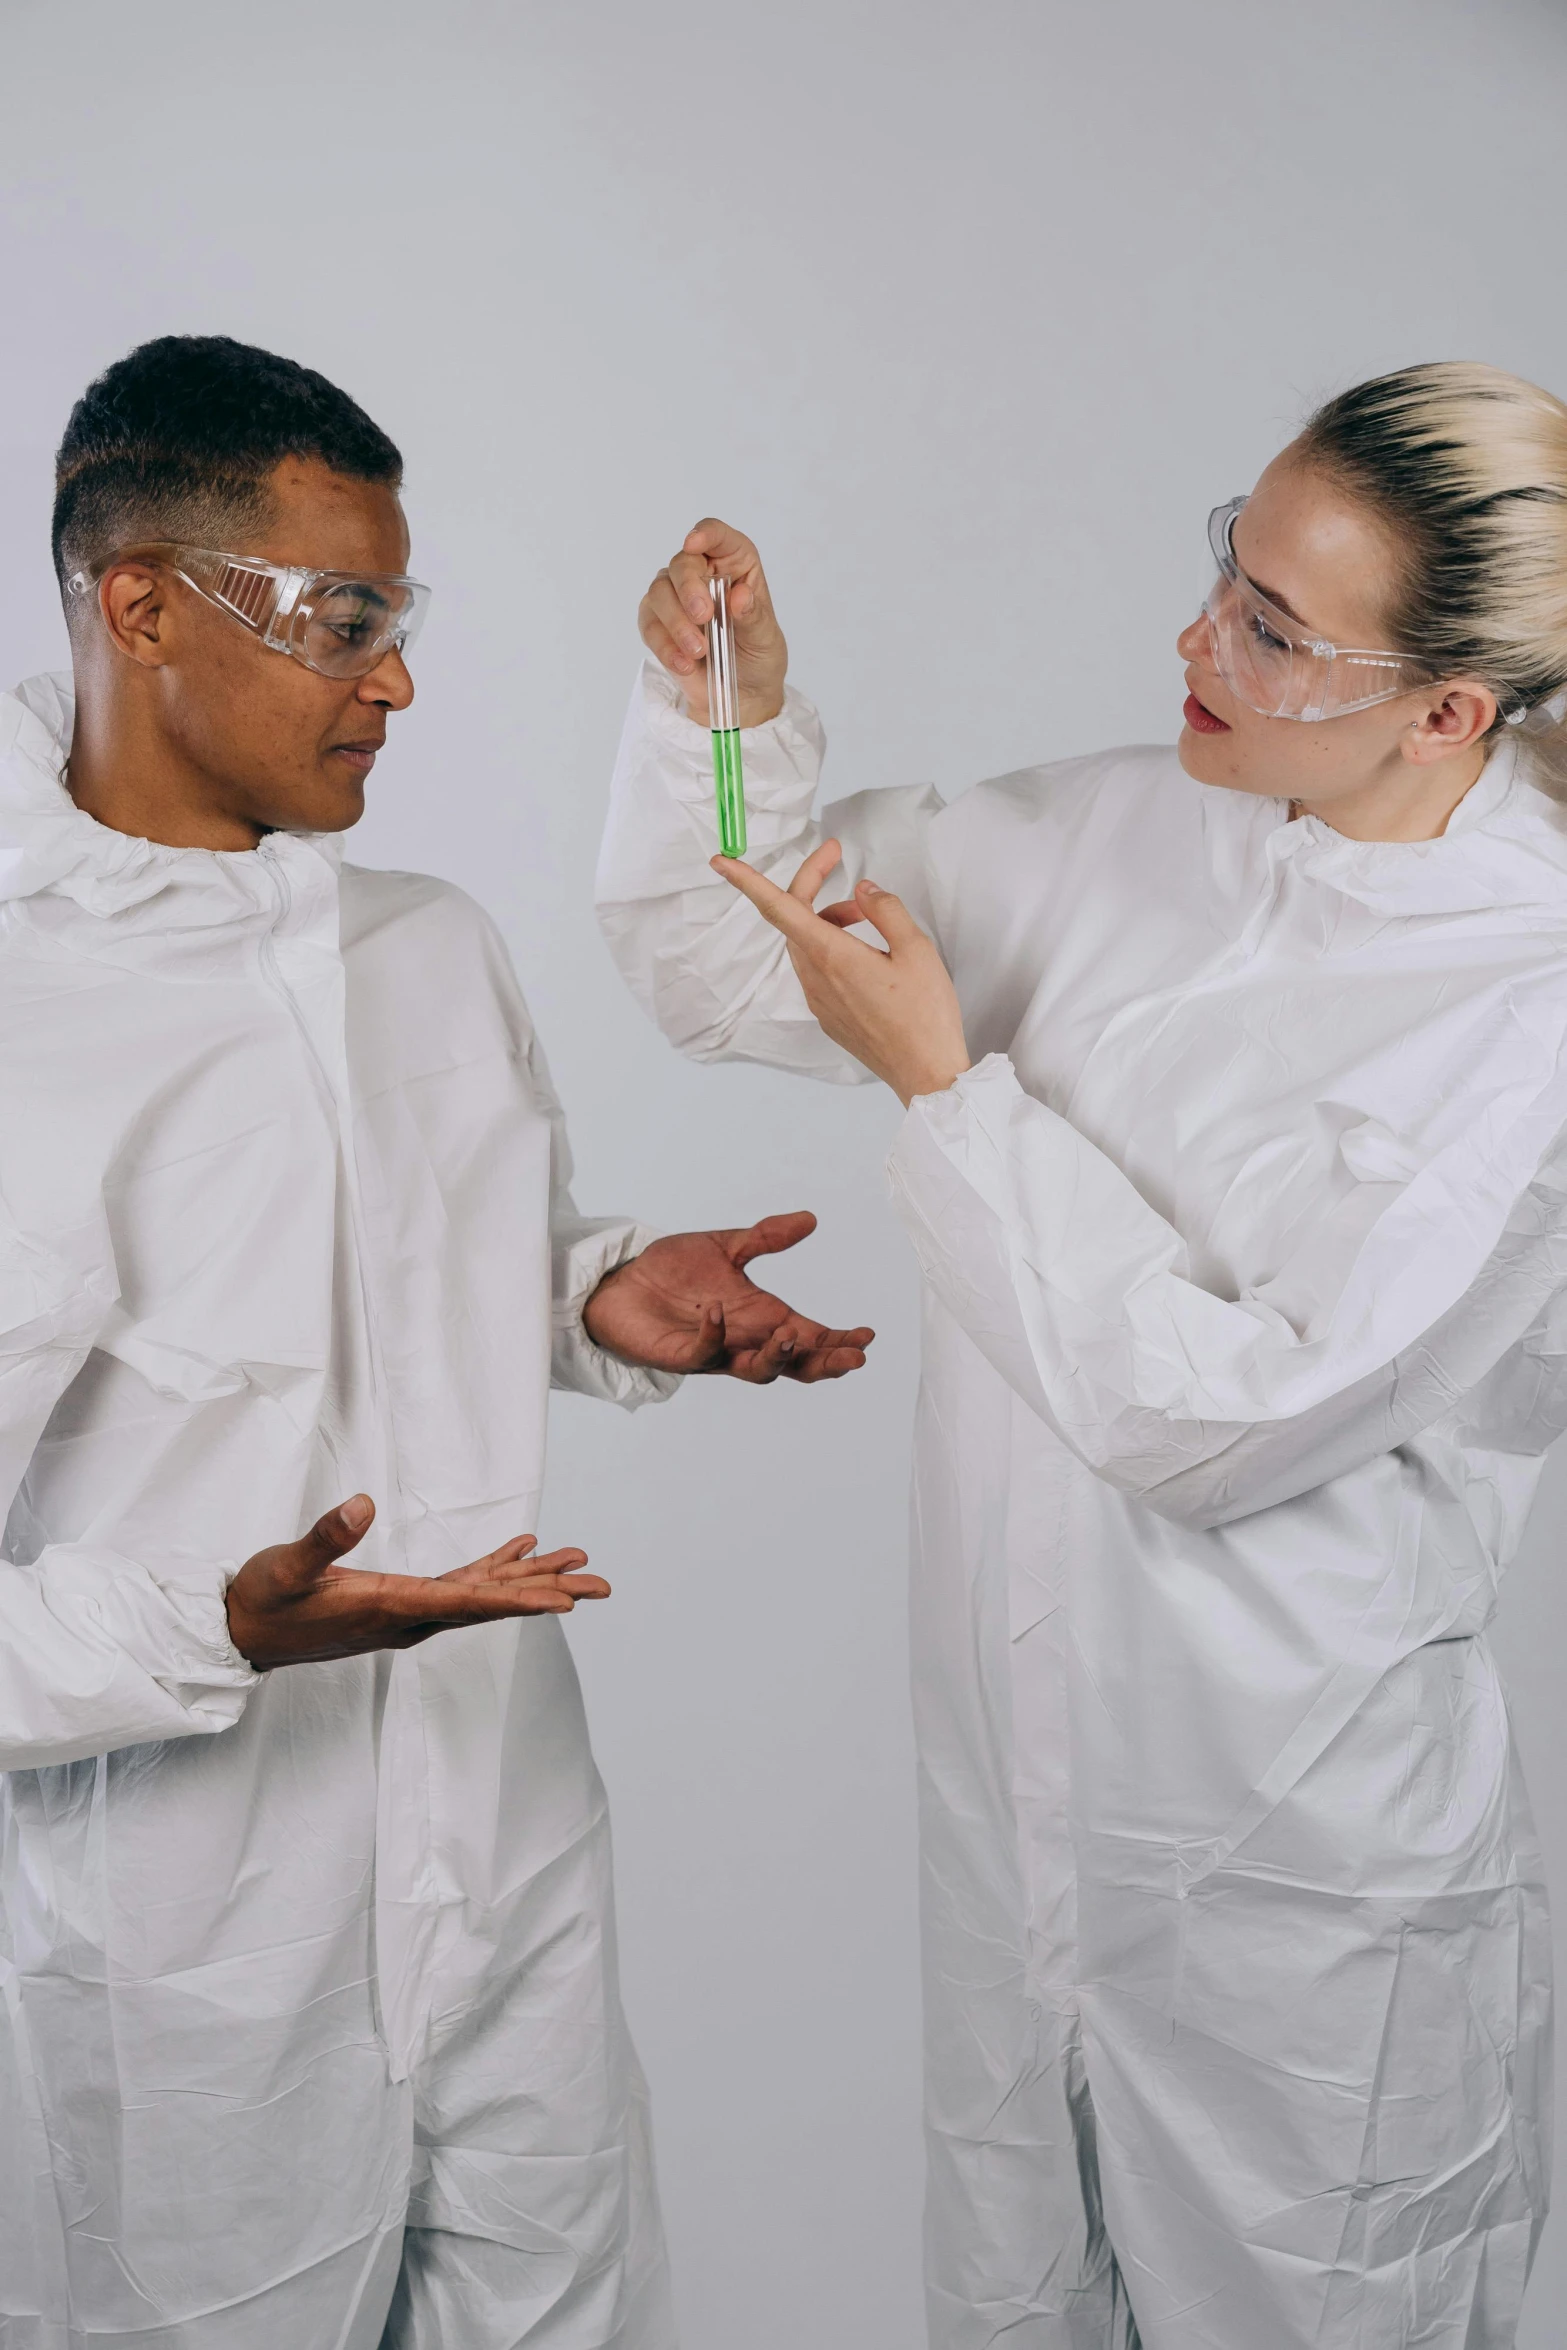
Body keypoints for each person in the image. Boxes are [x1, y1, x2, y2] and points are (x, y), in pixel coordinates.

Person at [596, 361, 1567, 2350]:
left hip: (1300, 1899)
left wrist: (952, 1097)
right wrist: (735, 721)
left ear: (1452, 709)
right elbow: (721, 954)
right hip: (1023, 1839)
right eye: (1229, 569)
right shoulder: (1137, 830)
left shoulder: (1524, 1007)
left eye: (1277, 632)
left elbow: (1210, 1418)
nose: (1195, 643)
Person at [0, 334, 875, 2350]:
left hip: (504, 1840)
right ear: (136, 600)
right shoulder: (27, 1016)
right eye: (340, 617)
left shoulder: (419, 944)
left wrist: (598, 1293)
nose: (391, 677)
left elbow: (400, 1263)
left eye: (402, 617)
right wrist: (214, 1622)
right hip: (194, 1923)